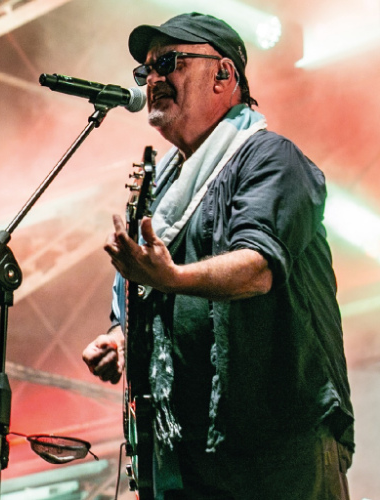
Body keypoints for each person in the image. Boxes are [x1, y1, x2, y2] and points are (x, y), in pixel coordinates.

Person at [81, 12, 355, 500]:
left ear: (224, 74)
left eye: (169, 62)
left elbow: (257, 267)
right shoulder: (163, 188)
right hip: (190, 457)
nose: (153, 80)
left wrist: (172, 278)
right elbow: (149, 290)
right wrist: (122, 337)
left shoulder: (269, 158)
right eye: (146, 72)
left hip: (279, 447)